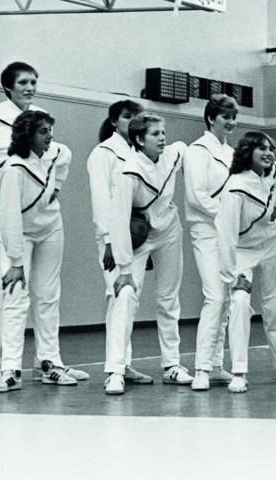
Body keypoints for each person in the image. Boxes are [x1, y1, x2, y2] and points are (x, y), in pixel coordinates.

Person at [0, 62, 87, 385]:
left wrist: (52, 190)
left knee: (47, 291)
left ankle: (48, 361)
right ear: (8, 86)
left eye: (34, 81)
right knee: (0, 285)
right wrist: (4, 195)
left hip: (36, 213)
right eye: (23, 82)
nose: (30, 87)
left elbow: (57, 156)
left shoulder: (41, 117)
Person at [0, 111, 79, 392]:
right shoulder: (13, 168)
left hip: (51, 228)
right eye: (43, 131)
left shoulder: (55, 153)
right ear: (27, 135)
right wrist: (16, 262)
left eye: (51, 129)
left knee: (49, 296)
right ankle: (10, 370)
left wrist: (58, 186)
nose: (50, 136)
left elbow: (66, 155)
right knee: (16, 298)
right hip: (19, 235)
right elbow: (9, 219)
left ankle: (48, 363)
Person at [105, 113, 193, 395]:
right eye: (155, 134)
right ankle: (115, 370)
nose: (163, 138)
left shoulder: (173, 154)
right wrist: (124, 269)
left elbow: (187, 150)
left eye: (163, 132)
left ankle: (172, 365)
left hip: (169, 231)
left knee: (169, 299)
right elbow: (118, 221)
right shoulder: (128, 172)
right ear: (139, 140)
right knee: (125, 295)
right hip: (138, 235)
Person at [215, 131, 276, 392]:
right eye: (261, 149)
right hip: (241, 250)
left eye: (270, 149)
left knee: (274, 305)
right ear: (248, 153)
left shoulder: (274, 171)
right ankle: (238, 372)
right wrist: (231, 276)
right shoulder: (235, 186)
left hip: (270, 243)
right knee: (239, 302)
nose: (268, 153)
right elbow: (225, 235)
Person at [87, 99, 154, 386]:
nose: (133, 120)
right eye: (128, 116)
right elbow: (101, 200)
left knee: (129, 300)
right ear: (115, 121)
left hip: (139, 235)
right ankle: (115, 371)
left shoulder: (142, 154)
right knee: (121, 295)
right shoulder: (103, 153)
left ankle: (122, 365)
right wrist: (109, 242)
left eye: (138, 116)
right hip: (114, 237)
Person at [183, 94, 237, 391]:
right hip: (205, 230)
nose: (231, 122)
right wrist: (226, 215)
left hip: (228, 233)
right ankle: (201, 368)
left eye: (233, 117)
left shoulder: (232, 153)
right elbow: (196, 196)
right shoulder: (197, 150)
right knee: (215, 297)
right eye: (225, 116)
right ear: (210, 118)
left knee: (227, 299)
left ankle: (216, 365)